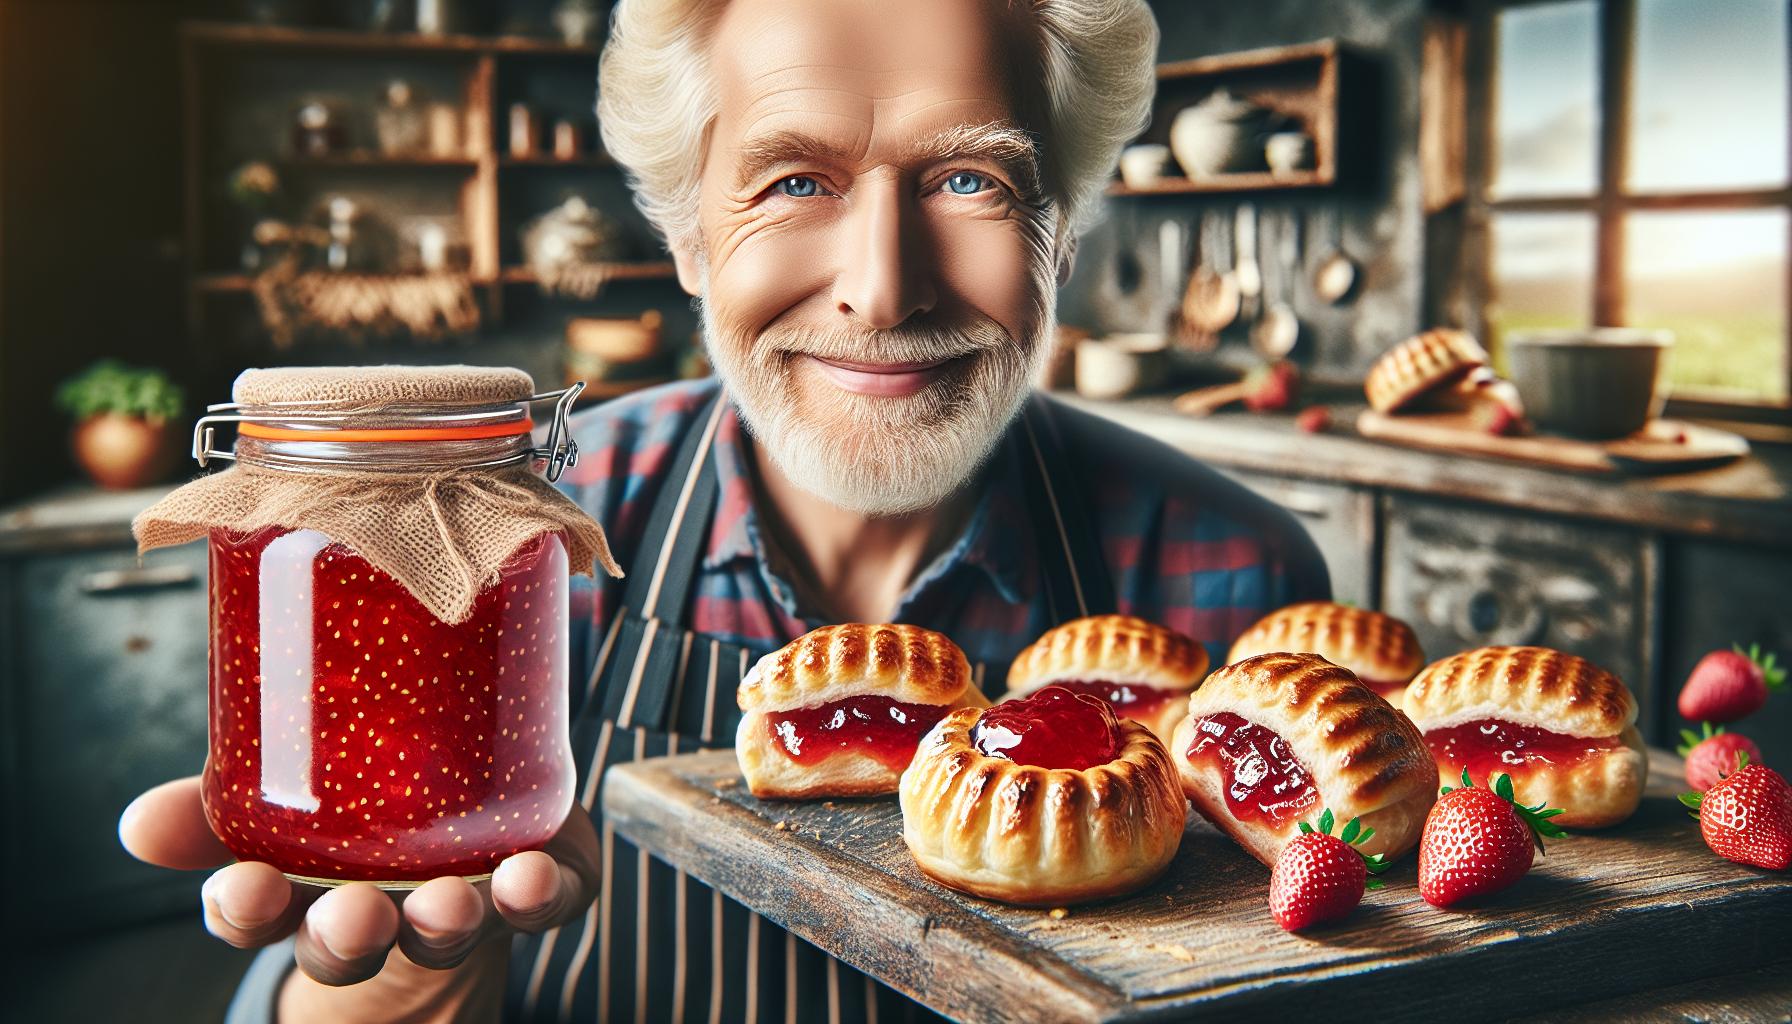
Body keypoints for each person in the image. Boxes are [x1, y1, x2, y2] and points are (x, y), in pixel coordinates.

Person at [119, 0, 1329, 1019]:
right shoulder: (503, 535)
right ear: (690, 237)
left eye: (972, 179)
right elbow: (329, 963)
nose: (881, 290)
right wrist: (406, 975)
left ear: (1058, 236)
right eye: (794, 180)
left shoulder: (1239, 583)